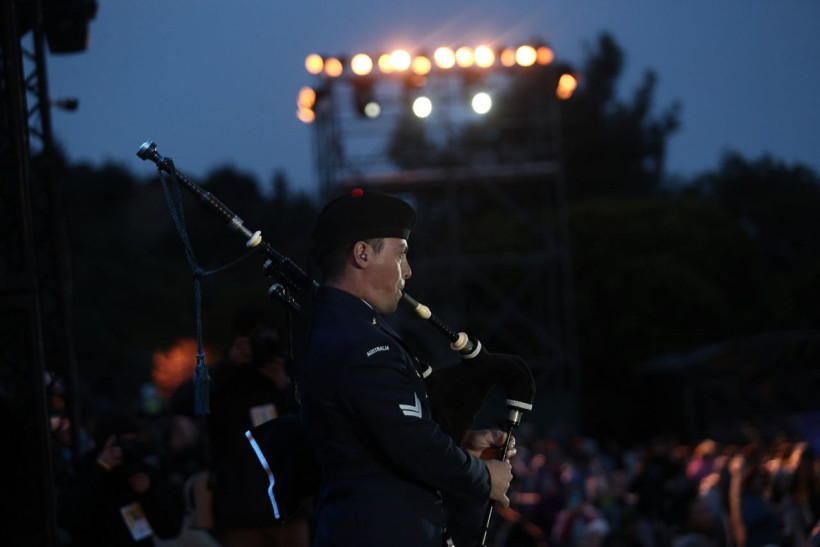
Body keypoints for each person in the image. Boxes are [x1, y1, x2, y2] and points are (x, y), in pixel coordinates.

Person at [297, 188, 514, 546]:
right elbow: (412, 443)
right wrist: (482, 476)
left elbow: (379, 437)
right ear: (362, 254)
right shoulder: (359, 342)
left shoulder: (336, 329)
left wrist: (458, 445)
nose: (408, 271)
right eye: (401, 255)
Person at [56, 410, 185, 546]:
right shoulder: (85, 470)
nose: (128, 449)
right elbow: (68, 518)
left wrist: (149, 492)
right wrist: (101, 467)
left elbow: (170, 529)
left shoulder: (146, 468)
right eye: (122, 443)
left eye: (133, 441)